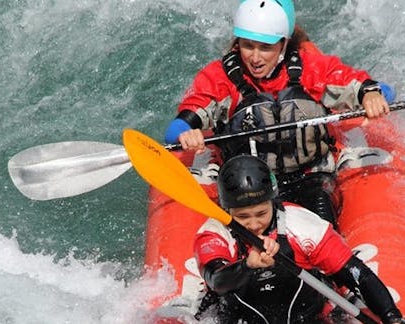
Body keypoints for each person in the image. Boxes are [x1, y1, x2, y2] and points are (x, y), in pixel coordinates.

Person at [163, 0, 395, 226]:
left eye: (265, 47)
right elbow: (179, 125)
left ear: (283, 45)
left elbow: (373, 87)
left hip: (309, 176)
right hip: (249, 187)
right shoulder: (219, 78)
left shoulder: (311, 69)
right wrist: (186, 133)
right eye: (248, 45)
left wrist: (371, 95)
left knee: (321, 223)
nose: (255, 57)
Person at [193, 154, 404, 323]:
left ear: (273, 203)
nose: (254, 224)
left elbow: (358, 275)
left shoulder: (301, 225)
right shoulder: (214, 232)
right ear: (226, 209)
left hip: (310, 317)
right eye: (242, 217)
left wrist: (391, 317)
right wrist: (246, 266)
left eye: (261, 214)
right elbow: (216, 281)